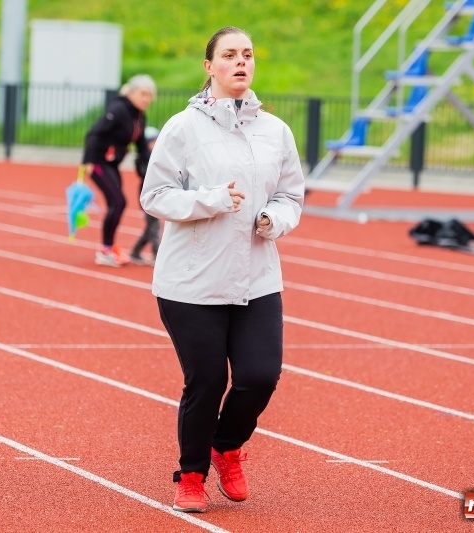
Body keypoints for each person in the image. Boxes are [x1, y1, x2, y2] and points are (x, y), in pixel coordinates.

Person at [140, 27, 305, 513]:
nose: (241, 62)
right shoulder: (182, 129)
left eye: (248, 55)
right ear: (209, 66)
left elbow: (292, 194)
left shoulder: (275, 131)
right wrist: (210, 201)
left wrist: (276, 218)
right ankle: (191, 475)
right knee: (207, 380)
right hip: (191, 283)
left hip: (256, 276)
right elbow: (154, 196)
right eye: (229, 55)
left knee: (260, 375)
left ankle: (227, 446)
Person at [82, 74, 156, 267]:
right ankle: (105, 249)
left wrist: (152, 168)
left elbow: (140, 146)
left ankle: (109, 246)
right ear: (132, 93)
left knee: (118, 203)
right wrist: (87, 160)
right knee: (118, 201)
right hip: (98, 161)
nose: (146, 99)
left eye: (149, 95)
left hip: (112, 164)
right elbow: (95, 133)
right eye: (143, 94)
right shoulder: (119, 109)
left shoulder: (139, 116)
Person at [129, 126, 161, 266]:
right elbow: (144, 174)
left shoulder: (160, 156)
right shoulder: (142, 159)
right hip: (147, 195)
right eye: (151, 142)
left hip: (159, 193)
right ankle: (156, 255)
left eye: (156, 141)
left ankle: (136, 251)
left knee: (151, 227)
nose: (154, 145)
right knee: (153, 226)